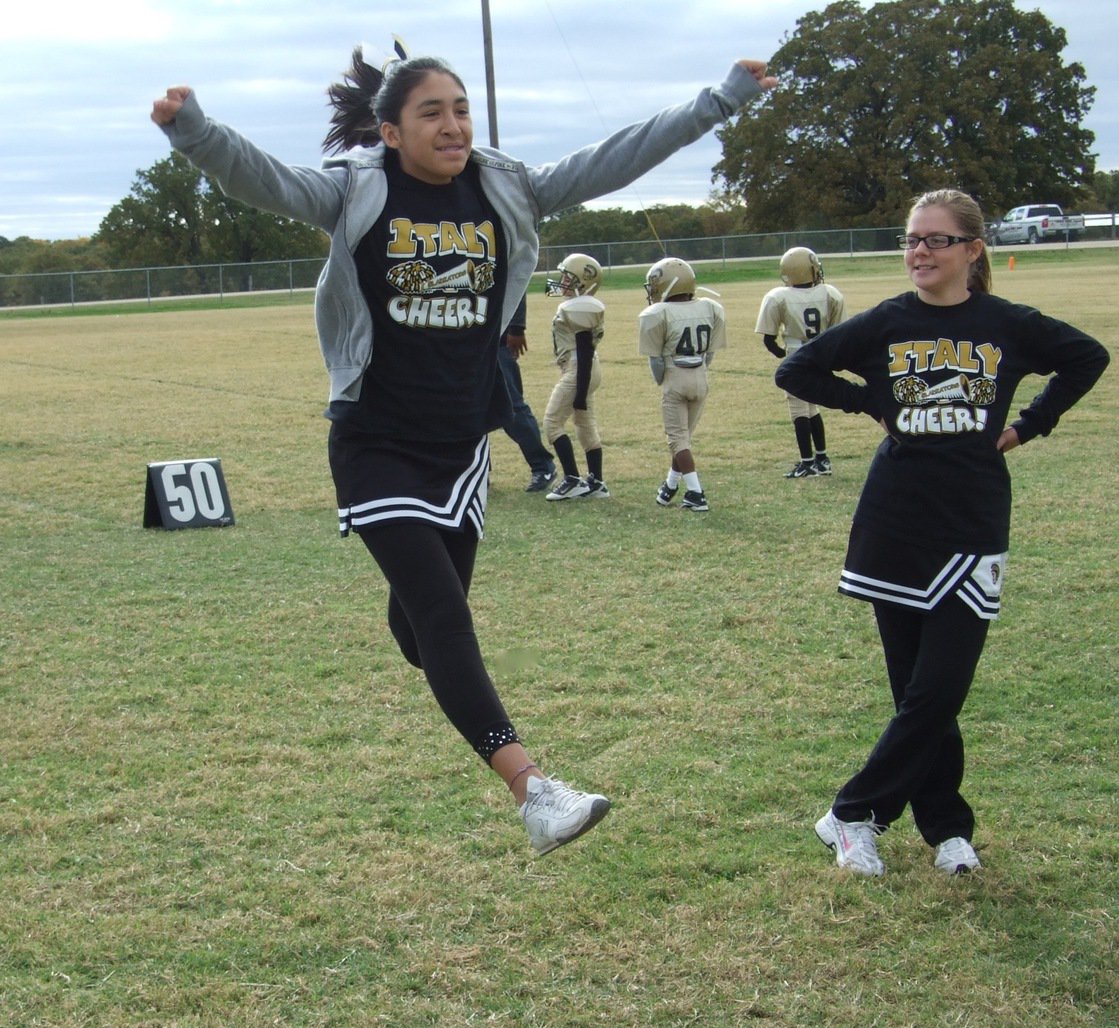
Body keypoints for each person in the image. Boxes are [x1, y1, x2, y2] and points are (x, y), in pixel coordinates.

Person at [151, 44, 775, 855]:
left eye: (460, 108)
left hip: (460, 444)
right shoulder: (355, 190)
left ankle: (418, 606)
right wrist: (195, 132)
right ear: (390, 130)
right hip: (376, 439)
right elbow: (260, 177)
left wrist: (721, 101)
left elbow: (621, 153)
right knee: (444, 617)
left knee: (420, 633)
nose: (452, 125)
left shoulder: (505, 185)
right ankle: (534, 790)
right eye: (431, 112)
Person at [776, 189, 1109, 877]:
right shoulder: (886, 323)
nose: (920, 251)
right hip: (895, 520)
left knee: (941, 690)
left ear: (972, 249)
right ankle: (947, 829)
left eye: (936, 240)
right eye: (912, 239)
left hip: (974, 519)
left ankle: (850, 812)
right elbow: (797, 368)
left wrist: (1027, 425)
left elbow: (1088, 357)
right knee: (918, 695)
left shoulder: (1007, 323)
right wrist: (873, 401)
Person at [639, 257, 727, 512]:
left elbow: (656, 362)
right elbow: (710, 354)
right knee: (684, 439)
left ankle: (696, 494)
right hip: (700, 374)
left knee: (677, 439)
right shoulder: (710, 307)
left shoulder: (658, 313)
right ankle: (669, 486)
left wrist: (663, 381)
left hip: (675, 375)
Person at [755, 246, 846, 478]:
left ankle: (807, 462)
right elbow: (839, 331)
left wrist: (781, 353)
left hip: (796, 352)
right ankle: (822, 459)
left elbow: (769, 340)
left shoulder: (779, 296)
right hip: (821, 351)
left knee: (798, 409)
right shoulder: (829, 293)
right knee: (811, 407)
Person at [542, 253, 609, 501]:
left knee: (552, 423)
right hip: (586, 367)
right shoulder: (582, 305)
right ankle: (597, 481)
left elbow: (583, 347)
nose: (562, 281)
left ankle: (572, 479)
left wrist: (579, 392)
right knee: (584, 422)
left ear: (581, 282)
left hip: (579, 367)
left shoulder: (579, 307)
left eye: (567, 277)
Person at [500, 295, 558, 491]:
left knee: (511, 407)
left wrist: (516, 327)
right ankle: (478, 472)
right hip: (467, 338)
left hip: (497, 339)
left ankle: (543, 466)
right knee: (469, 407)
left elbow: (517, 276)